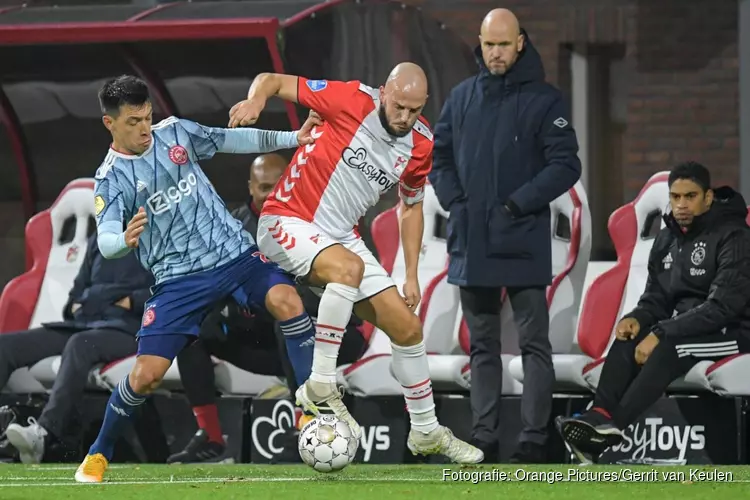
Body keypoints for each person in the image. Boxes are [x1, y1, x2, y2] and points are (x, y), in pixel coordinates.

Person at [228, 62, 483, 464]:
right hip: (287, 219)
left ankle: (426, 430)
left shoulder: (420, 144)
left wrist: (411, 274)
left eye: (413, 110)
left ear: (425, 105)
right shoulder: (350, 98)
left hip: (340, 237)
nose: (403, 117)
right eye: (398, 106)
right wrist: (256, 100)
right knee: (348, 269)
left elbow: (411, 207)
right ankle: (321, 383)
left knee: (406, 327)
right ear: (384, 92)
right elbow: (273, 80)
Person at [75, 75, 320, 483]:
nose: (143, 128)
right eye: (133, 121)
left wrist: (294, 136)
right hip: (178, 282)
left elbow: (231, 140)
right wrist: (123, 239)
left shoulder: (175, 133)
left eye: (147, 117)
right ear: (110, 123)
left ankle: (309, 411)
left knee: (288, 301)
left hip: (234, 256)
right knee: (145, 375)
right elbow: (106, 241)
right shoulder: (110, 179)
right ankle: (99, 453)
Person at [428, 8, 582, 463]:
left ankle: (534, 441)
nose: (495, 53)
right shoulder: (460, 98)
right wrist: (457, 202)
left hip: (522, 238)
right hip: (472, 240)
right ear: (481, 42)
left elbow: (566, 164)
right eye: (489, 44)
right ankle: (483, 439)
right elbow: (439, 158)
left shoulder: (546, 100)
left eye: (503, 44)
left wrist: (518, 203)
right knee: (483, 347)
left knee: (535, 345)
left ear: (520, 43)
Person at [167, 154, 366, 464]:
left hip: (331, 337)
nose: (272, 194)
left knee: (289, 318)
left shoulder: (322, 220)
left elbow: (343, 288)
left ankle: (308, 426)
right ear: (250, 186)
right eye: (263, 187)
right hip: (265, 342)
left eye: (279, 185)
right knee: (190, 330)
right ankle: (212, 439)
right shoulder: (229, 230)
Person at [556, 162, 750, 464]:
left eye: (690, 196)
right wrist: (638, 318)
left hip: (732, 334)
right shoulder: (667, 239)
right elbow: (656, 299)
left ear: (708, 198)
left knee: (669, 347)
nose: (682, 205)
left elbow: (722, 308)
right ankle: (600, 414)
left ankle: (612, 429)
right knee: (627, 339)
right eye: (675, 197)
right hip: (685, 330)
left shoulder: (734, 236)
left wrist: (661, 332)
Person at [0, 233, 151, 464]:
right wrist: (74, 306)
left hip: (129, 329)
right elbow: (76, 293)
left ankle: (44, 434)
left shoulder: (160, 233)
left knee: (80, 345)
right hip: (83, 324)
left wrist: (132, 301)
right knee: (6, 345)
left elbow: (169, 287)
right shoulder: (100, 238)